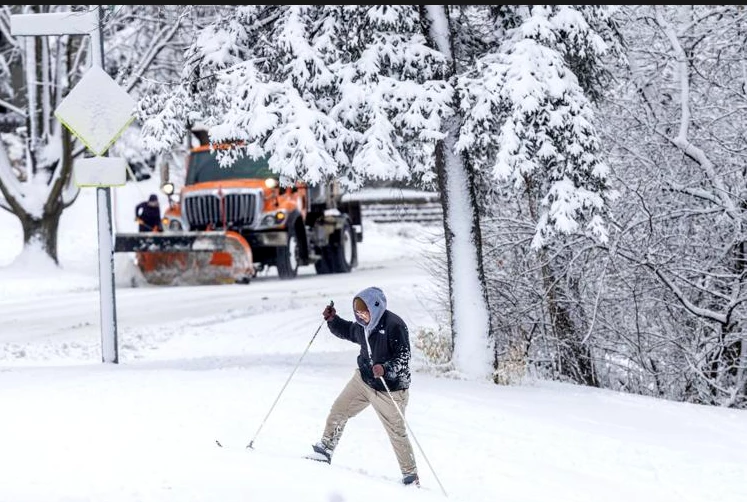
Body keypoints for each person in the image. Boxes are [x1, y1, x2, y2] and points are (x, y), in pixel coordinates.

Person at [309, 286, 419, 487]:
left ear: (375, 307)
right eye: (357, 313)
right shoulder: (362, 326)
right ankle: (325, 449)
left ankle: (410, 476)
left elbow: (404, 359)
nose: (361, 317)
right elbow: (349, 331)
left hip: (390, 389)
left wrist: (385, 369)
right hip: (364, 380)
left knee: (396, 432)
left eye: (364, 312)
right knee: (339, 410)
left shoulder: (395, 325)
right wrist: (333, 320)